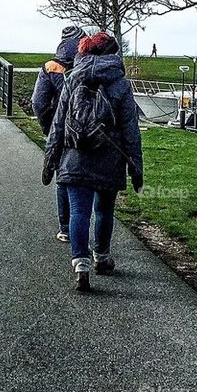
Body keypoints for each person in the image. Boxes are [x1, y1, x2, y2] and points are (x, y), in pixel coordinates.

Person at [42, 31, 143, 293]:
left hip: (75, 158)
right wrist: (136, 166)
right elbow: (130, 129)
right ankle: (102, 257)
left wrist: (50, 161)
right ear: (113, 54)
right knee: (104, 211)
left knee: (79, 212)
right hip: (109, 158)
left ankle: (81, 266)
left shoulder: (71, 79)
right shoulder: (120, 85)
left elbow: (58, 124)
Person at [32, 26, 85, 242]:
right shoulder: (86, 63)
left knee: (63, 177)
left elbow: (38, 102)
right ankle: (92, 236)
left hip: (60, 129)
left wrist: (48, 128)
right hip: (87, 130)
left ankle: (65, 228)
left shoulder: (50, 67)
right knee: (87, 178)